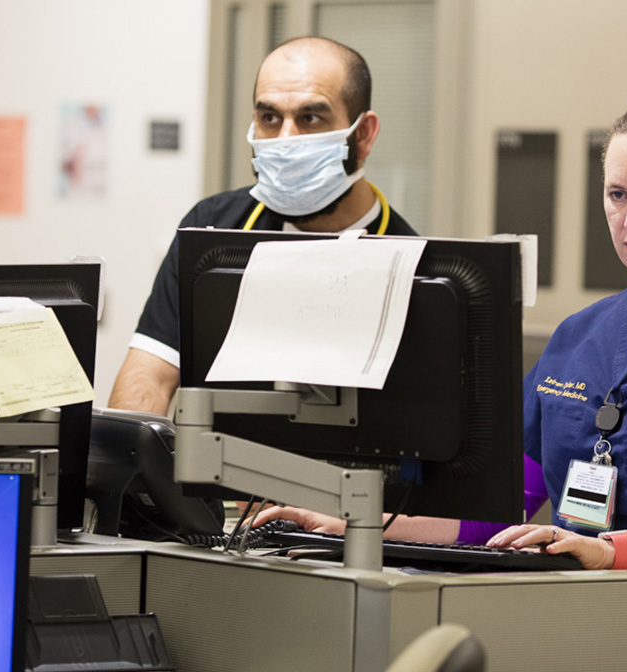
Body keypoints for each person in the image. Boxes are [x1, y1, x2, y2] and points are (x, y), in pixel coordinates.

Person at [254, 97, 627, 672]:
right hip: (588, 621)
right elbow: (497, 508)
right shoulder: (578, 337)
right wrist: (355, 523)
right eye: (617, 195)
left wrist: (608, 550)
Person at [108, 36, 419, 416]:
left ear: (364, 134)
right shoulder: (212, 233)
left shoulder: (414, 264)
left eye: (310, 118)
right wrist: (127, 465)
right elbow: (149, 378)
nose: (285, 140)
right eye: (269, 118)